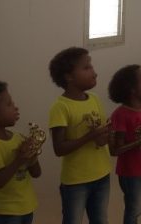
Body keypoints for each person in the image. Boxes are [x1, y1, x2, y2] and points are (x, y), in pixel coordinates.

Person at [48, 47, 112, 224]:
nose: (94, 72)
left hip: (102, 174)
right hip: (76, 181)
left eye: (91, 66)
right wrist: (89, 137)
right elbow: (59, 149)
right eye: (87, 67)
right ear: (69, 76)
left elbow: (101, 140)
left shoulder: (95, 99)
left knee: (100, 220)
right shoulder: (60, 107)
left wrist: (106, 134)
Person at [108, 65, 141, 224]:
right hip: (132, 173)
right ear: (132, 90)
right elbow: (115, 150)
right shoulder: (120, 115)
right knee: (135, 208)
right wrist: (139, 142)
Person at [0, 81, 41, 224]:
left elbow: (36, 173)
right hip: (5, 212)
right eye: (9, 104)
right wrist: (19, 160)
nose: (15, 107)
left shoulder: (18, 138)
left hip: (26, 207)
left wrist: (32, 154)